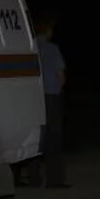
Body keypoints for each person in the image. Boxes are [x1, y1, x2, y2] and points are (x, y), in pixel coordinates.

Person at [20, 16, 69, 188]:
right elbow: (60, 76)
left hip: (33, 99)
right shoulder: (52, 48)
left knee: (37, 139)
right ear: (48, 30)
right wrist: (58, 90)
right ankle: (54, 179)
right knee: (54, 139)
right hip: (51, 97)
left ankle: (33, 178)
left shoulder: (29, 48)